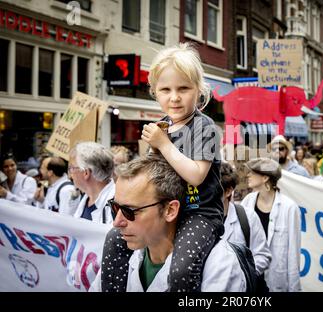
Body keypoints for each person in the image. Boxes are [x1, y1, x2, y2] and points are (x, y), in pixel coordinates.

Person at [90, 154, 246, 292]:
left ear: (170, 210)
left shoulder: (219, 265)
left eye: (130, 211)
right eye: (115, 207)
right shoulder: (118, 256)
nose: (117, 222)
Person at [140, 43, 223, 292]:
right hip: (162, 213)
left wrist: (163, 145)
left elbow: (197, 175)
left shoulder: (204, 127)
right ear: (155, 92)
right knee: (115, 239)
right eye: (165, 89)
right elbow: (150, 176)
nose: (174, 97)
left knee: (182, 270)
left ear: (198, 90)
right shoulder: (160, 128)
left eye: (183, 88)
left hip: (198, 213)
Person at [241, 158, 301, 292]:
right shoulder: (247, 201)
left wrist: (294, 289)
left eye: (253, 172)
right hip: (251, 278)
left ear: (265, 178)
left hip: (276, 280)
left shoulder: (289, 208)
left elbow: (293, 254)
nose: (248, 175)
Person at [220, 162, 271, 276]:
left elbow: (262, 255)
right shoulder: (196, 220)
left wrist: (243, 277)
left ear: (228, 191)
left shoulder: (247, 217)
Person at [70, 142, 115, 224]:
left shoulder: (116, 202)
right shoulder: (86, 197)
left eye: (72, 168)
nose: (70, 174)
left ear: (86, 173)